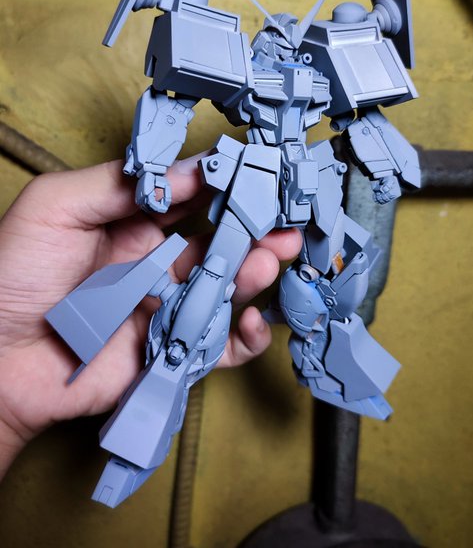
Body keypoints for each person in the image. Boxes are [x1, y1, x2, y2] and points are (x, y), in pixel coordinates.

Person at [0, 155, 302, 480]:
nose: (175, 356)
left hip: (188, 293)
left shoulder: (174, 341)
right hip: (196, 295)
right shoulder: (191, 347)